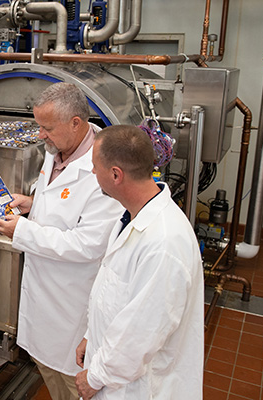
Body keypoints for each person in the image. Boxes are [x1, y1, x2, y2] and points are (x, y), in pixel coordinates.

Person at [0, 82, 123, 400]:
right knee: (48, 369)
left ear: (75, 123)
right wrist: (32, 203)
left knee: (72, 384)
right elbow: (62, 204)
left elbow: (88, 244)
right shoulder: (59, 149)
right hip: (44, 297)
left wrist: (21, 231)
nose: (40, 135)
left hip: (71, 307)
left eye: (47, 127)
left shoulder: (101, 168)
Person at [75, 125, 204, 399]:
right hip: (114, 370)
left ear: (115, 174)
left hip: (141, 388)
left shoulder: (164, 244)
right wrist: (91, 335)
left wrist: (94, 377)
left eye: (95, 167)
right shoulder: (130, 217)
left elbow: (141, 335)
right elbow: (116, 295)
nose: (93, 173)